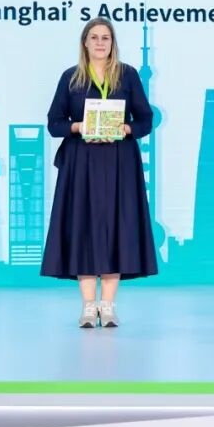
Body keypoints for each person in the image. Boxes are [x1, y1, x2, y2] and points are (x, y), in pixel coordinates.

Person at [41, 18, 159, 327]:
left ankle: (107, 306)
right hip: (81, 162)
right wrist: (78, 127)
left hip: (120, 162)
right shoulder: (71, 77)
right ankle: (87, 306)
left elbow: (146, 120)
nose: (100, 43)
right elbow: (54, 123)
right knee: (83, 227)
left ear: (112, 43)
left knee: (116, 229)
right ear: (85, 42)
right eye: (94, 37)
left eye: (105, 38)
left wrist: (127, 128)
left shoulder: (128, 75)